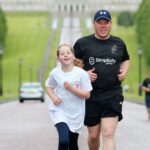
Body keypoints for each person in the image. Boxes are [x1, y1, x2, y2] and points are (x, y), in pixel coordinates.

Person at [73, 9, 130, 150]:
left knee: (109, 133)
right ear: (94, 24)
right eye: (100, 23)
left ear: (110, 24)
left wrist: (124, 72)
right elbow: (73, 65)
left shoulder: (119, 43)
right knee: (93, 136)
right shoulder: (82, 43)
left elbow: (126, 59)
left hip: (112, 94)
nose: (103, 26)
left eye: (106, 22)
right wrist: (84, 73)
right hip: (90, 95)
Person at [45, 44, 93, 150]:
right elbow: (48, 86)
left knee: (72, 143)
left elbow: (87, 94)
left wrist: (71, 88)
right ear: (58, 59)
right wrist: (53, 97)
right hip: (59, 111)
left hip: (76, 113)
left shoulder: (81, 74)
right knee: (63, 141)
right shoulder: (55, 73)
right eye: (62, 54)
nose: (65, 55)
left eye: (68, 53)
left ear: (73, 55)